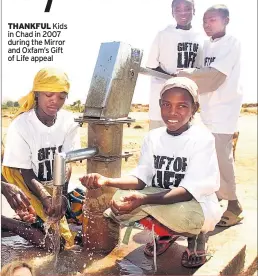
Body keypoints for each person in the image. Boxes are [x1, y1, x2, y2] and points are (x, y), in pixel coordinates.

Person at [80, 77, 222, 268]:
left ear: (194, 108)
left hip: (194, 207)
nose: (172, 112)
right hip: (161, 203)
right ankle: (164, 233)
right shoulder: (153, 138)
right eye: (166, 105)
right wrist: (106, 181)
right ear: (159, 105)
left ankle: (197, 237)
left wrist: (144, 200)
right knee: (121, 199)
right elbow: (140, 179)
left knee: (175, 214)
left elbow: (188, 191)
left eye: (182, 106)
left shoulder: (202, 139)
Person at [175, 4, 244, 227]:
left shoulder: (232, 43)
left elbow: (214, 77)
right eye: (204, 21)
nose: (207, 24)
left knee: (222, 157)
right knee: (209, 156)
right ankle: (218, 195)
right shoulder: (205, 46)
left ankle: (235, 205)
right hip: (207, 109)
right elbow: (198, 76)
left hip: (225, 108)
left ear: (226, 20)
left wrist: (184, 75)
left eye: (212, 20)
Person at [2, 67, 81, 250]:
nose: (55, 101)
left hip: (53, 183)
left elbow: (66, 163)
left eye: (61, 97)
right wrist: (45, 197)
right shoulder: (21, 126)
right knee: (54, 244)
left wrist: (60, 194)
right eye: (48, 95)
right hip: (26, 183)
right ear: (36, 93)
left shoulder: (69, 122)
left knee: (83, 218)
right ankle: (6, 222)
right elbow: (26, 172)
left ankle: (36, 216)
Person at [146, 0, 203, 130]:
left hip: (186, 104)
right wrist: (174, 80)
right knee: (158, 146)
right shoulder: (163, 34)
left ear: (194, 10)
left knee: (185, 146)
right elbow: (151, 66)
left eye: (187, 8)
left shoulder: (201, 38)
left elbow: (200, 70)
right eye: (178, 9)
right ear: (172, 13)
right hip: (162, 103)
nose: (183, 12)